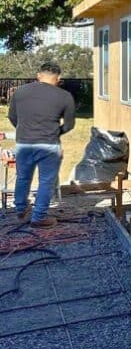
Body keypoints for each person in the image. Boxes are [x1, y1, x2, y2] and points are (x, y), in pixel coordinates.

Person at [6, 63, 76, 227]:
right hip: (49, 146)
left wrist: (25, 130)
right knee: (46, 181)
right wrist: (54, 132)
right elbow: (69, 124)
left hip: (24, 143)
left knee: (23, 177)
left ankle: (21, 210)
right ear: (58, 78)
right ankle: (39, 217)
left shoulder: (20, 92)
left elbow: (12, 116)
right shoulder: (65, 96)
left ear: (39, 75)